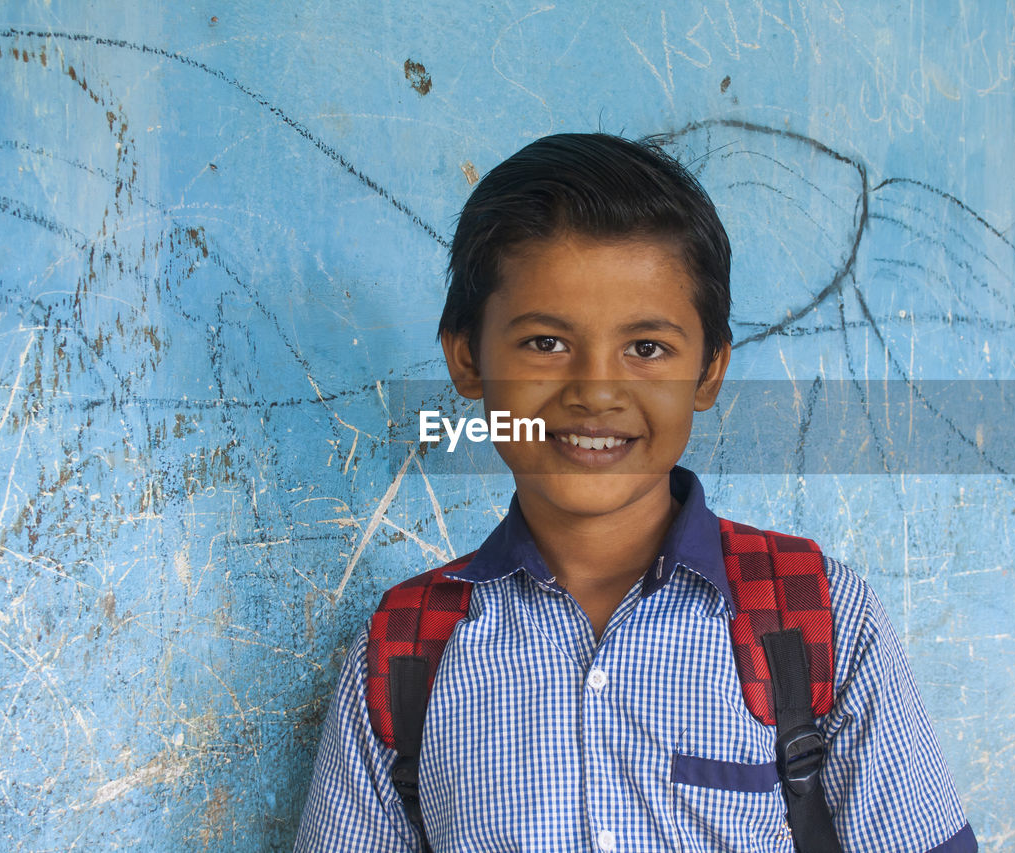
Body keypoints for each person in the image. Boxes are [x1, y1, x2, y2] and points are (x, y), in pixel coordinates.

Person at [294, 133, 977, 852]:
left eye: (647, 349)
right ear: (468, 357)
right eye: (545, 343)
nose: (595, 389)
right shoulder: (408, 650)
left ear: (710, 370)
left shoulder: (815, 618)